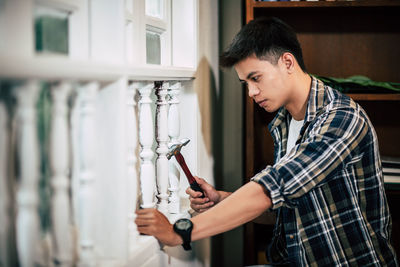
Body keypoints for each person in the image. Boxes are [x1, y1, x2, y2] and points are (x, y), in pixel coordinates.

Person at [135, 17, 398, 266]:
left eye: (256, 78)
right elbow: (285, 208)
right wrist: (222, 200)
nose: (251, 92)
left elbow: (273, 187)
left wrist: (180, 233)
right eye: (245, 83)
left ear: (287, 62)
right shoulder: (285, 122)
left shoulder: (341, 119)